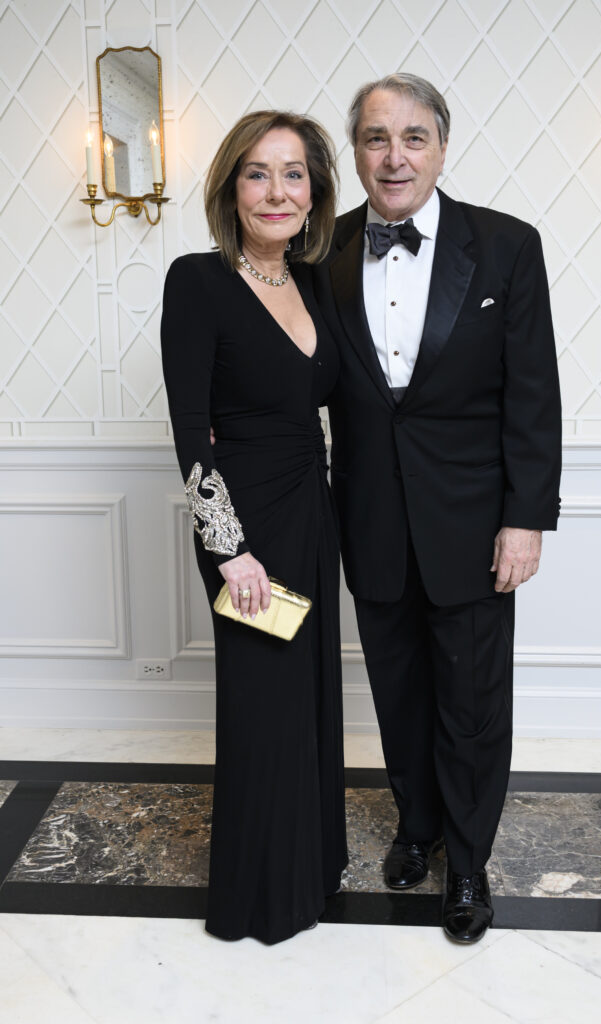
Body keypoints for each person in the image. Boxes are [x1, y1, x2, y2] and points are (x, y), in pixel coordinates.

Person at [314, 74, 562, 943]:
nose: (394, 157)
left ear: (441, 147)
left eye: (412, 138)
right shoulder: (325, 249)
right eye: (376, 138)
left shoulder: (504, 246)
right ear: (355, 152)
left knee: (470, 702)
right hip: (370, 520)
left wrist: (525, 519)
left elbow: (532, 395)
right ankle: (415, 825)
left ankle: (465, 862)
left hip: (475, 525)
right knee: (398, 694)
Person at [160, 110, 347, 945]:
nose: (277, 191)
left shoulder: (313, 283)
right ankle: (257, 896)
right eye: (257, 173)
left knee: (305, 694)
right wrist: (226, 547)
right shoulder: (195, 281)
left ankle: (308, 866)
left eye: (294, 174)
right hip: (243, 529)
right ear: (230, 189)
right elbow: (190, 428)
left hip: (312, 511)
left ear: (313, 195)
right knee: (260, 701)